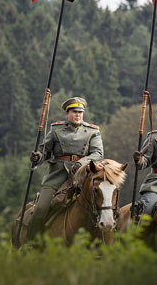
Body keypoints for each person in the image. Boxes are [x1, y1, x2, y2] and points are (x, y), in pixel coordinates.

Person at [27, 97, 104, 241]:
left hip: (82, 177)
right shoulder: (56, 130)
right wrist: (38, 157)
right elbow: (45, 151)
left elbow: (97, 154)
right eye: (74, 112)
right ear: (67, 113)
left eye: (80, 112)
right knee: (40, 210)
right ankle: (32, 242)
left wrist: (81, 163)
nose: (78, 115)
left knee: (103, 207)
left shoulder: (92, 131)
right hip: (57, 176)